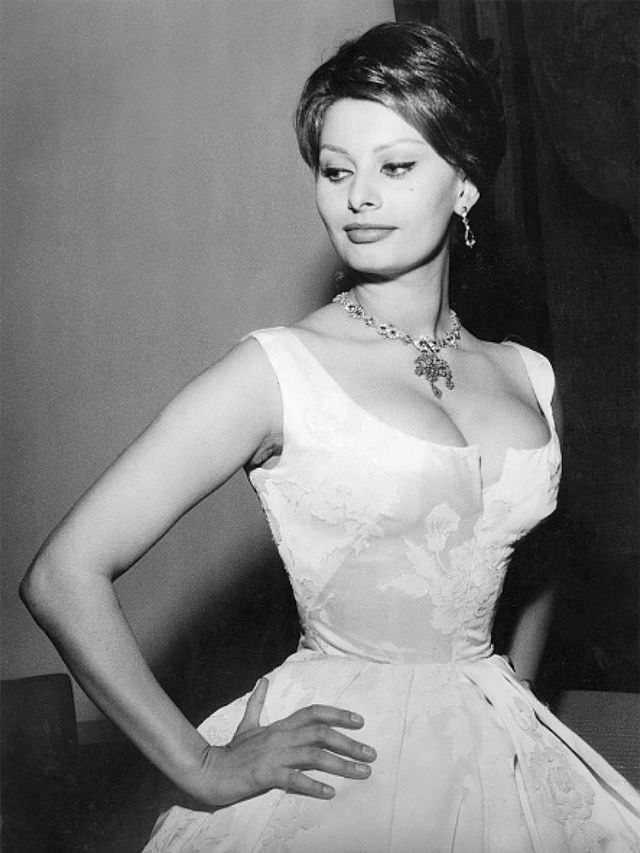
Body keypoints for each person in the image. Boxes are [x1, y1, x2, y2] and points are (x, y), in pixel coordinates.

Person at [21, 21, 640, 853]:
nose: (357, 198)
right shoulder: (276, 372)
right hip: (342, 770)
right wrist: (201, 765)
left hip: (500, 761)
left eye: (395, 166)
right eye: (335, 169)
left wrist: (510, 697)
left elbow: (537, 552)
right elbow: (64, 574)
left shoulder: (530, 375)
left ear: (464, 182)